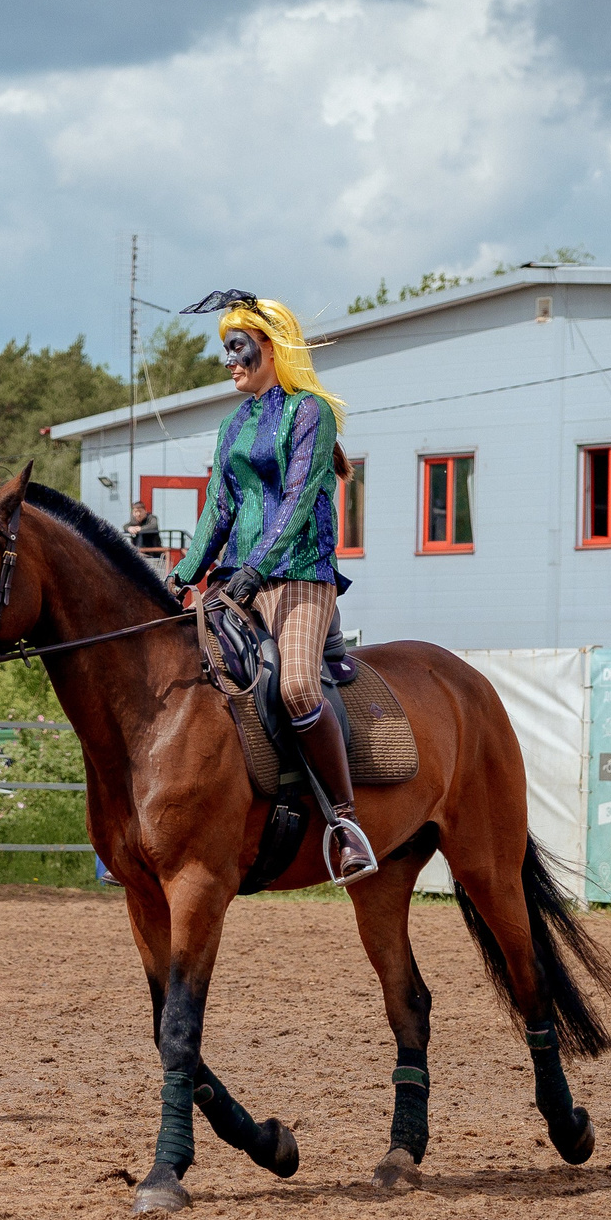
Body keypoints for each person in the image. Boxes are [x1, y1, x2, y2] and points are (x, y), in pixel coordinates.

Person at [171, 289, 375, 883]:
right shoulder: (233, 424)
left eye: (238, 348)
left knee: (295, 691)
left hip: (300, 576)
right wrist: (182, 575)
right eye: (226, 351)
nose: (230, 361)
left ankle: (345, 825)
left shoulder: (310, 411)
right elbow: (220, 508)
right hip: (237, 579)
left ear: (271, 347)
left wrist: (258, 567)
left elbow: (298, 498)